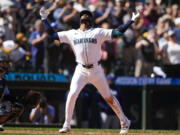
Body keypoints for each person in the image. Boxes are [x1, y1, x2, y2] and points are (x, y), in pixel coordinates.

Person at [40, 6, 140, 134]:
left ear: (91, 19)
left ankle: (124, 121)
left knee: (108, 97)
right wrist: (44, 19)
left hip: (96, 69)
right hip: (80, 69)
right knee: (72, 94)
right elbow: (53, 35)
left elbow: (118, 33)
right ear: (79, 19)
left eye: (87, 15)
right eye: (83, 15)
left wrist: (131, 21)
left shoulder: (98, 32)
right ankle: (67, 124)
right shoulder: (72, 33)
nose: (85, 16)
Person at [0, 55, 41, 127]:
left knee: (17, 107)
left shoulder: (3, 80)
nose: (5, 65)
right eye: (3, 63)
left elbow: (6, 96)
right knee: (6, 108)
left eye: (5, 63)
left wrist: (23, 98)